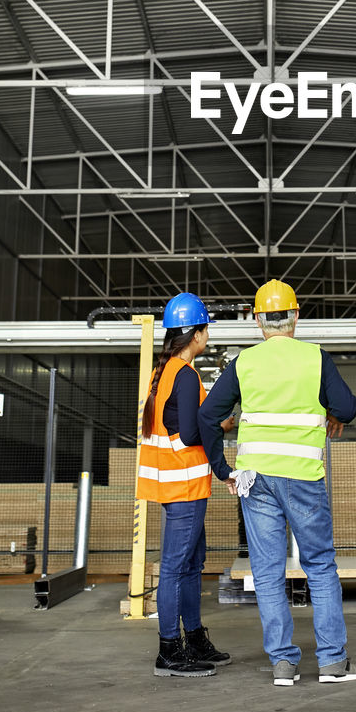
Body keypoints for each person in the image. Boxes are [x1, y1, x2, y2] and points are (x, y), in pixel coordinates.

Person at [198, 279, 356, 686]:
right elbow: (347, 407)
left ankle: (283, 665)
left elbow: (207, 417)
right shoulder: (315, 357)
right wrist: (333, 415)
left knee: (268, 572)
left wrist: (224, 470)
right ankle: (331, 663)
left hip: (255, 480)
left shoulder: (244, 362)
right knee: (321, 568)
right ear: (295, 316)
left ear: (258, 321)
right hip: (304, 479)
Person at [137, 291, 232, 678]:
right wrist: (222, 426)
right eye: (206, 328)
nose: (207, 334)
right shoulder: (187, 375)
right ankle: (169, 652)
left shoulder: (165, 372)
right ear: (195, 333)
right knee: (177, 567)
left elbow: (176, 426)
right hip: (186, 487)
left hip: (173, 485)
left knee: (190, 564)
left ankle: (193, 639)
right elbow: (192, 433)